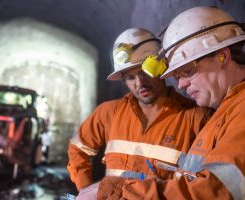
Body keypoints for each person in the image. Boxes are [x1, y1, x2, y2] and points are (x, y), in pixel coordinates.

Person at [98, 6, 245, 200]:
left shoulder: (237, 111)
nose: (182, 84)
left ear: (223, 57)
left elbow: (214, 190)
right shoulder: (223, 112)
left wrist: (123, 191)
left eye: (187, 71)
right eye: (177, 76)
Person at [67, 28, 212, 199]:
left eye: (144, 72)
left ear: (161, 68)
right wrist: (85, 189)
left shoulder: (195, 117)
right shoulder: (109, 113)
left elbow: (203, 182)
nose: (140, 83)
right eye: (130, 77)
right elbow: (77, 148)